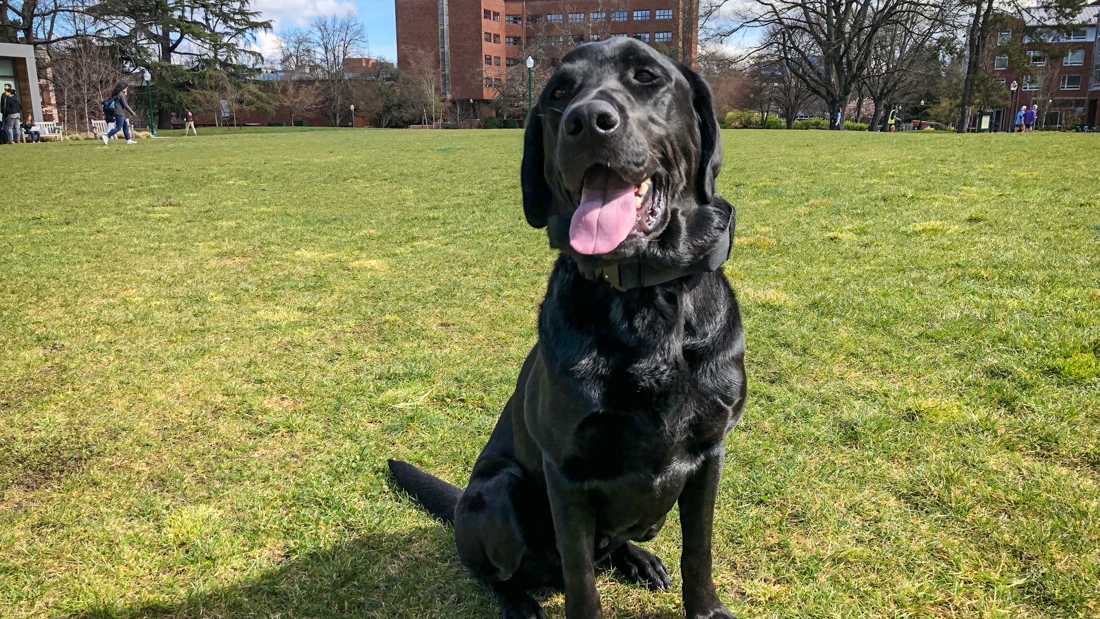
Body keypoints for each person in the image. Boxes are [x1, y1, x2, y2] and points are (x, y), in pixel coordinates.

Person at [101, 81, 137, 145]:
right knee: (118, 127)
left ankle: (128, 140)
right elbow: (125, 105)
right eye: (126, 88)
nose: (127, 89)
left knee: (125, 125)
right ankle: (107, 136)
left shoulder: (119, 94)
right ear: (123, 87)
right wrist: (132, 112)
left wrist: (125, 94)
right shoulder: (121, 94)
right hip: (119, 113)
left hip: (118, 112)